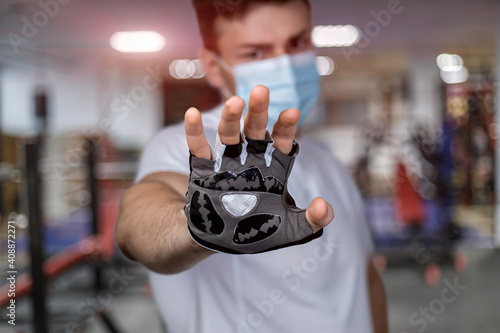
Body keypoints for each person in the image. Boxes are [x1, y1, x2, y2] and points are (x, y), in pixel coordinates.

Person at [115, 0, 388, 332]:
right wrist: (204, 224)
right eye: (255, 53)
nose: (285, 65)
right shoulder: (188, 147)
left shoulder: (327, 162)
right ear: (213, 66)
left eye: (296, 43)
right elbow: (137, 222)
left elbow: (365, 278)